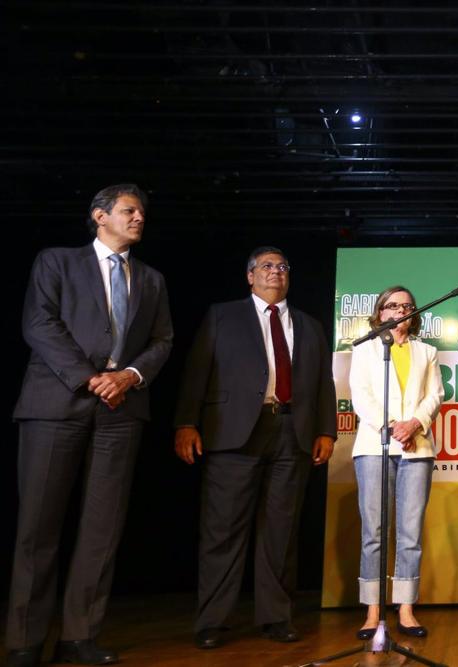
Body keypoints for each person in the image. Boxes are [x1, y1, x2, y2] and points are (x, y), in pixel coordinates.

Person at [6, 184, 173, 667]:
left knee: (102, 529)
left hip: (121, 410)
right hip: (56, 405)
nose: (139, 217)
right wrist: (89, 377)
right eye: (128, 210)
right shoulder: (57, 261)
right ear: (100, 216)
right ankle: (24, 640)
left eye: (142, 212)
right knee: (38, 527)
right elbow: (39, 324)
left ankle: (79, 635)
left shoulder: (152, 279)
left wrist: (129, 375)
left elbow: (162, 340)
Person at [173, 246, 337, 649]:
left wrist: (326, 430)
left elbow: (323, 383)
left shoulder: (309, 325)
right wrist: (186, 422)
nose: (276, 272)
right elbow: (197, 371)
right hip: (233, 433)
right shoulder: (222, 316)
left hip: (293, 431)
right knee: (223, 529)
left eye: (282, 266)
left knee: (281, 530)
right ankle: (212, 621)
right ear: (250, 276)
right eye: (266, 266)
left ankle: (276, 617)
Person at [349, 286, 444, 639]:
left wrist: (414, 424)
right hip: (374, 445)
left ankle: (405, 608)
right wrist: (392, 427)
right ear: (380, 312)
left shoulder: (427, 352)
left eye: (407, 306)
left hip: (416, 447)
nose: (400, 311)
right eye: (393, 305)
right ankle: (373, 610)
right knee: (373, 531)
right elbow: (361, 396)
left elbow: (435, 395)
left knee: (410, 531)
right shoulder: (364, 349)